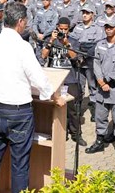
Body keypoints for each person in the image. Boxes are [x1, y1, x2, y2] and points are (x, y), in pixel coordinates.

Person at [0, 2, 65, 193]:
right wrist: (53, 97)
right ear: (20, 22)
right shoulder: (23, 47)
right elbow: (39, 78)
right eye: (26, 22)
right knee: (20, 165)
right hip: (19, 114)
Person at [85, 19, 115, 159]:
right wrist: (100, 81)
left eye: (111, 27)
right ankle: (99, 142)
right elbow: (96, 63)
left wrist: (107, 80)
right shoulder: (100, 44)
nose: (108, 29)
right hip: (101, 89)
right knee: (100, 117)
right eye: (106, 27)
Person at [41, 16, 85, 145]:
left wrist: (67, 44)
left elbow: (76, 58)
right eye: (61, 29)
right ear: (57, 28)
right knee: (56, 108)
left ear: (69, 30)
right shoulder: (51, 39)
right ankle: (61, 132)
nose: (63, 32)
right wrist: (51, 40)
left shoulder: (74, 42)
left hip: (70, 79)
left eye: (65, 29)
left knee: (73, 110)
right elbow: (43, 55)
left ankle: (76, 134)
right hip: (55, 79)